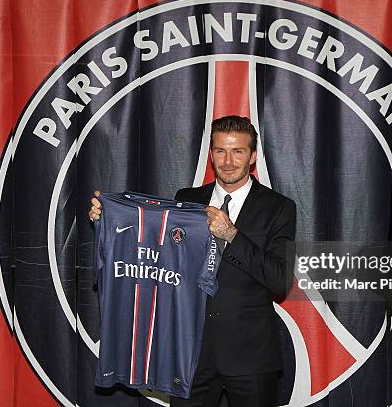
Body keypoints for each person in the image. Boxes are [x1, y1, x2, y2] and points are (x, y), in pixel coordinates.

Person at [89, 115, 297, 407]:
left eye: (237, 151)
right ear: (211, 153)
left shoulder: (279, 207)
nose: (228, 160)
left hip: (250, 357)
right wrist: (108, 217)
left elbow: (279, 279)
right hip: (188, 352)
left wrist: (233, 235)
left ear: (252, 157)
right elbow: (151, 242)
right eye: (220, 150)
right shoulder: (186, 200)